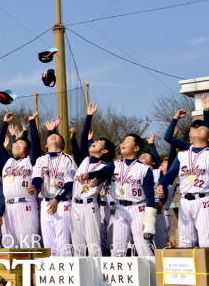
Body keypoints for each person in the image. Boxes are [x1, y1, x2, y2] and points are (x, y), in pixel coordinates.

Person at [158, 109, 209, 250]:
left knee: (207, 241)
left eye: (202, 128)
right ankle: (190, 272)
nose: (198, 128)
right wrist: (161, 184)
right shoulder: (182, 155)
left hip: (206, 200)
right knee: (185, 241)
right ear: (190, 137)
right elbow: (171, 174)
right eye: (195, 128)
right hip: (185, 201)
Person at [81, 133, 156, 257]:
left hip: (138, 208)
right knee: (117, 249)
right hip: (120, 209)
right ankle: (119, 276)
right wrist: (89, 175)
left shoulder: (144, 169)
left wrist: (149, 225)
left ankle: (154, 276)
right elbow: (103, 172)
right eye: (123, 141)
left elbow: (150, 197)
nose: (123, 143)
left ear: (136, 148)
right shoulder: (116, 165)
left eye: (127, 141)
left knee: (143, 246)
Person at [71, 103, 115, 257]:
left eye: (98, 143)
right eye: (94, 142)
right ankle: (80, 277)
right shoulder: (85, 160)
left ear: (104, 151)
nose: (93, 142)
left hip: (90, 205)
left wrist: (94, 177)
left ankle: (96, 278)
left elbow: (106, 174)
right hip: (75, 204)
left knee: (93, 244)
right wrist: (88, 116)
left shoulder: (105, 166)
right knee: (77, 246)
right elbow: (84, 140)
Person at [0, 112, 42, 248]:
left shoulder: (30, 161)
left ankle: (33, 268)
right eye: (15, 144)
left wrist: (32, 123)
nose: (16, 145)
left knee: (29, 243)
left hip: (26, 204)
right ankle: (15, 269)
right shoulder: (7, 161)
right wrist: (5, 123)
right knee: (10, 245)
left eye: (21, 145)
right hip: (8, 208)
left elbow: (36, 145)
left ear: (27, 150)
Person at [33, 115, 77, 256]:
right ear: (45, 145)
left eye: (57, 137)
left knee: (63, 241)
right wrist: (34, 187)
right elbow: (37, 178)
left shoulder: (68, 159)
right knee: (48, 242)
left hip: (62, 202)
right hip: (46, 202)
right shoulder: (41, 159)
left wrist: (57, 199)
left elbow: (70, 183)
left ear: (63, 145)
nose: (53, 138)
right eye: (51, 137)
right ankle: (51, 273)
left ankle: (65, 273)